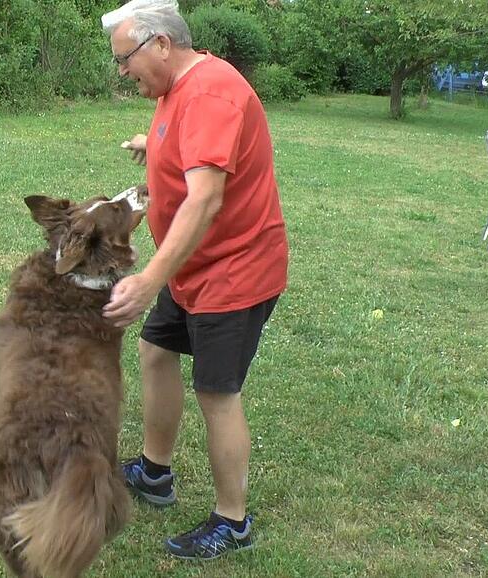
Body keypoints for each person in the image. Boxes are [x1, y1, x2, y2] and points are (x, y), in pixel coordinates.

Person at [100, 0, 289, 561]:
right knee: (156, 351)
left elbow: (205, 200)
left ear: (161, 44)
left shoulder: (209, 92)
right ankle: (155, 474)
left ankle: (232, 522)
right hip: (194, 268)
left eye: (125, 59)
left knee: (217, 392)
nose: (122, 71)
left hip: (234, 271)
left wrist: (147, 280)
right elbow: (186, 151)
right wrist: (150, 145)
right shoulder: (175, 90)